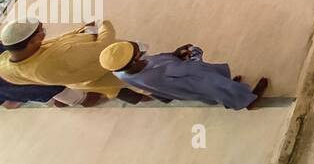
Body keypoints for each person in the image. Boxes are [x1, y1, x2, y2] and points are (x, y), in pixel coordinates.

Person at [100, 40, 266, 108]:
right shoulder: (157, 73)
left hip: (183, 87)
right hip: (196, 80)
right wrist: (195, 54)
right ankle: (248, 101)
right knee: (220, 87)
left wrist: (174, 54)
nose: (142, 53)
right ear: (135, 60)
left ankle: (230, 96)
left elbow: (159, 60)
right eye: (138, 53)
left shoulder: (122, 72)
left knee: (219, 90)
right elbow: (193, 69)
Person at [0, 19, 132, 99]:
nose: (44, 34)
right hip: (105, 67)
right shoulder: (60, 56)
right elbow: (103, 46)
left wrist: (83, 30)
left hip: (81, 81)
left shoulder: (5, 66)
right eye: (42, 31)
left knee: (114, 90)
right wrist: (103, 24)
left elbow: (58, 39)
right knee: (136, 80)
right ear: (32, 41)